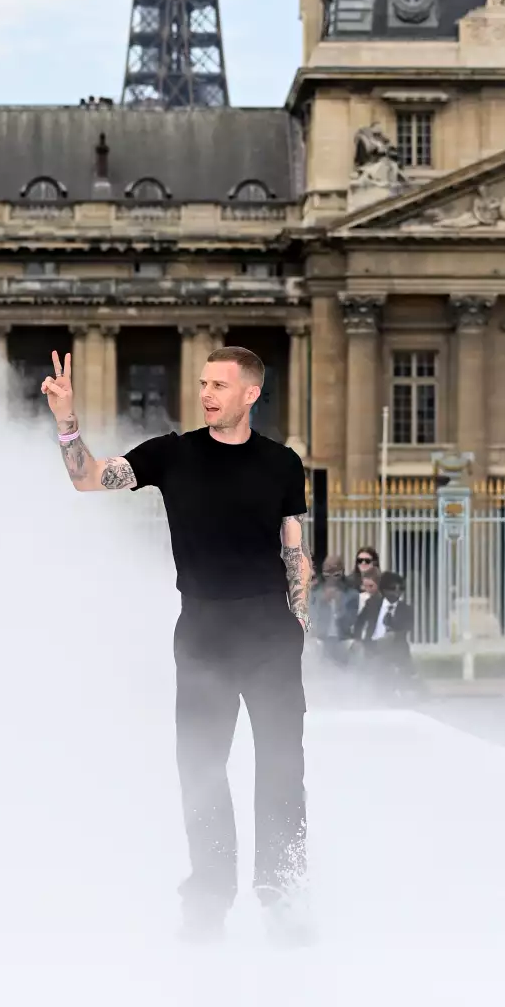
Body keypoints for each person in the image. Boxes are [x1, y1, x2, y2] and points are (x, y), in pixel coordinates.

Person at [41, 344, 312, 945]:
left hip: (270, 631)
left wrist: (299, 623)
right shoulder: (173, 453)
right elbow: (89, 479)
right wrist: (66, 421)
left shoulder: (283, 464)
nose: (207, 393)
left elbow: (294, 548)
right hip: (204, 632)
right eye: (203, 382)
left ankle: (283, 891)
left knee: (282, 768)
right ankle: (209, 894)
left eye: (220, 384)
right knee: (202, 768)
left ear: (251, 394)